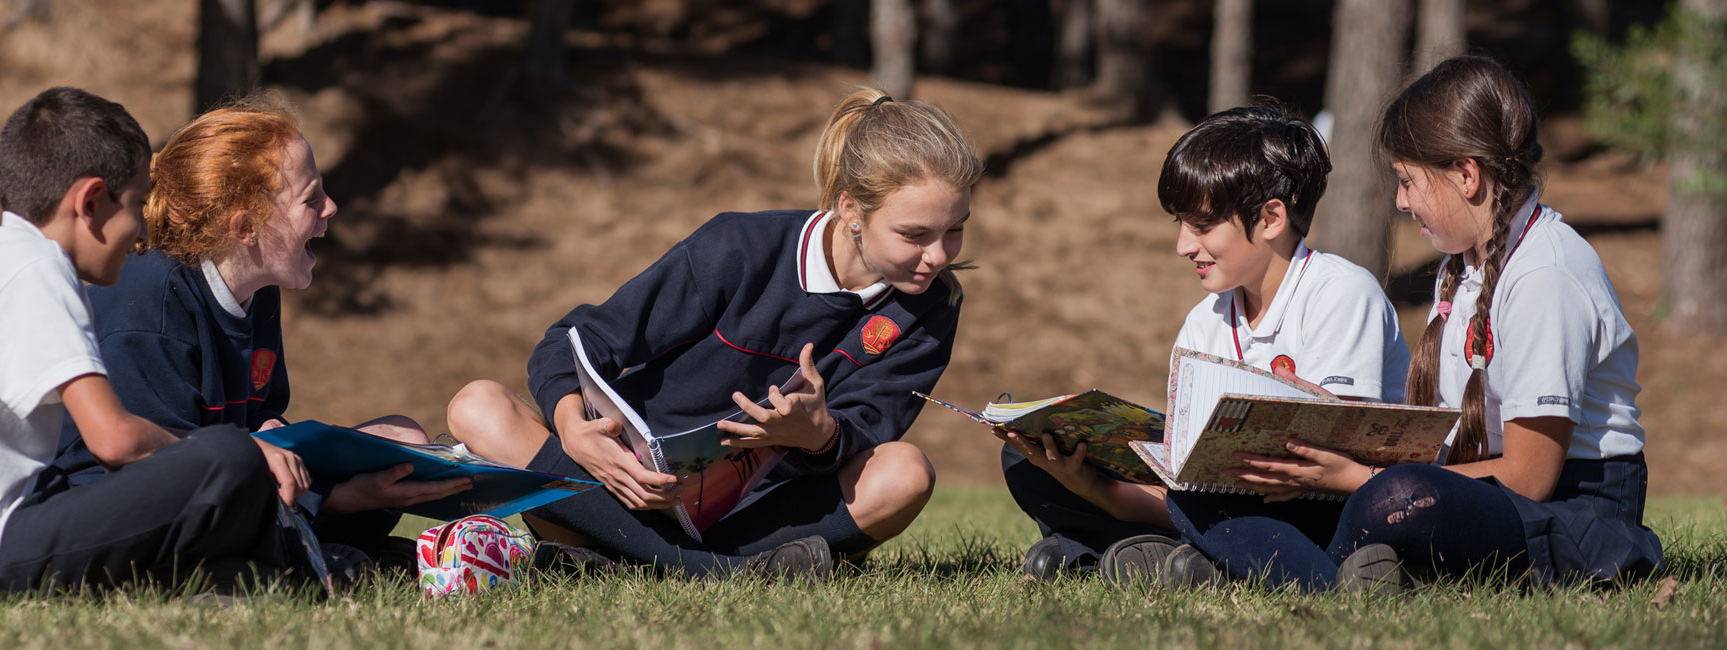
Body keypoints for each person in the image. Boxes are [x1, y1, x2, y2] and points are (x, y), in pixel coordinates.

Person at [1153, 56, 1662, 593]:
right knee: (1198, 495)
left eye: (1408, 181)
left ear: (1467, 175)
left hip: (1571, 511)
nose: (1400, 202)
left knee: (1392, 500)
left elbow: (1529, 478)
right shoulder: (1468, 264)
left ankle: (1289, 572)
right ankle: (1320, 567)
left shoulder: (1545, 274)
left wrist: (1360, 480)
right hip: (1466, 486)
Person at [443, 88, 979, 577]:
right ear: (850, 209)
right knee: (477, 405)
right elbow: (574, 341)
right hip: (623, 484)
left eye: (955, 229)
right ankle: (720, 571)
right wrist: (574, 431)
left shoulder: (932, 305)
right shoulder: (739, 246)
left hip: (759, 515)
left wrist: (819, 435)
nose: (939, 255)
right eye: (915, 234)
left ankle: (618, 558)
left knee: (906, 473)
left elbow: (869, 431)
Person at [0, 87, 302, 606]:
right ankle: (265, 568)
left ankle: (227, 577)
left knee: (225, 460)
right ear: (90, 203)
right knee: (228, 454)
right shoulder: (31, 273)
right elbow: (114, 439)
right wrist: (237, 452)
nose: (142, 229)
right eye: (137, 204)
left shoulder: (7, 260)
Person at [44, 97, 470, 571]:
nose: (331, 207)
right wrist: (327, 499)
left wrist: (306, 456)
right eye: (311, 198)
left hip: (230, 491)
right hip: (129, 516)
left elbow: (260, 423)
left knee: (402, 438)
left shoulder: (258, 290)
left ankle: (336, 546)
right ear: (246, 227)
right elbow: (155, 472)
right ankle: (313, 553)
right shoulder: (151, 301)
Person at [997, 105, 1410, 581]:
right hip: (1216, 506)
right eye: (1180, 224)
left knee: (1204, 503)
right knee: (1027, 460)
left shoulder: (1339, 291)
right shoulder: (1204, 322)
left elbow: (1342, 464)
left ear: (1271, 217)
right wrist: (1090, 485)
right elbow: (1184, 478)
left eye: (1202, 226)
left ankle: (1307, 578)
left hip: (1323, 510)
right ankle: (1187, 556)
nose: (1183, 246)